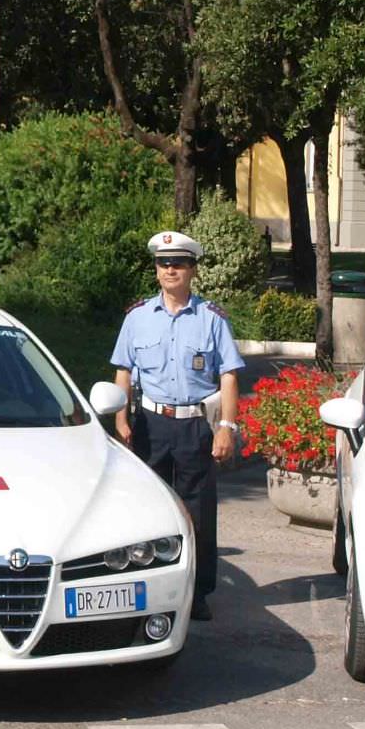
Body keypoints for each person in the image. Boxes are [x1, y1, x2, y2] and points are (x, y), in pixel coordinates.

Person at [109, 231, 244, 621]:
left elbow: (229, 377)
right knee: (147, 509)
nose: (171, 270)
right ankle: (146, 583)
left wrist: (226, 427)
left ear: (192, 270)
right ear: (156, 270)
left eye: (179, 263)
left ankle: (197, 592)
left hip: (194, 426)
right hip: (150, 424)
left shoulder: (211, 319)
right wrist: (120, 417)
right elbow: (123, 371)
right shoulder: (137, 318)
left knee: (197, 511)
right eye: (164, 263)